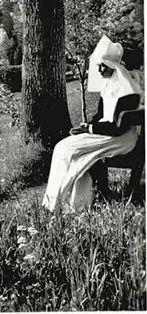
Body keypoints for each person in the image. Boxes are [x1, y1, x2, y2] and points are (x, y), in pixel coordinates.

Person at [42, 35, 141, 213]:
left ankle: (69, 204)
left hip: (121, 138)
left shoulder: (127, 91)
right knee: (63, 147)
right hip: (108, 132)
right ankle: (67, 202)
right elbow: (102, 116)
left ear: (114, 66)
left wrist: (89, 129)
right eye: (99, 65)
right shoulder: (109, 84)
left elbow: (118, 127)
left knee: (69, 150)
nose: (100, 69)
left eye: (104, 65)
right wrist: (85, 126)